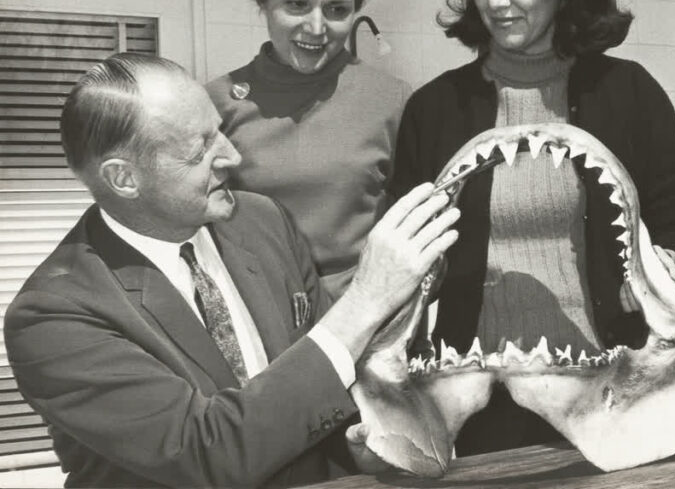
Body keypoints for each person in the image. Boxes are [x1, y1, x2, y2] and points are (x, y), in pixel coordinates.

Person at [4, 53, 458, 488]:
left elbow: (325, 382)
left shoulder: (261, 222)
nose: (231, 157)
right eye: (199, 149)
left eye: (218, 131)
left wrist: (360, 444)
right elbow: (211, 453)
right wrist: (366, 301)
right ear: (124, 178)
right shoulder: (53, 316)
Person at [391, 0, 675, 455]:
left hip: (611, 394)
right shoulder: (435, 110)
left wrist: (661, 264)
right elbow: (403, 250)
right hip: (479, 406)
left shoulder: (629, 94)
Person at [207, 0, 410, 299]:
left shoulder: (393, 102)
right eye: (297, 4)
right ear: (262, 0)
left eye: (337, 10)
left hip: (367, 320)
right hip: (259, 321)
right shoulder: (215, 104)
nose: (316, 29)